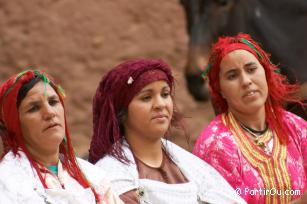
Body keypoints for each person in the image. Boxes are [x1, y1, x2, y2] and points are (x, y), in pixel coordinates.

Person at [88, 59, 246, 204]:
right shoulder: (112, 176)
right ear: (122, 112)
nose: (160, 104)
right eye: (146, 97)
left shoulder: (193, 168)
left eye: (165, 94)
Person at [193, 33, 307, 204]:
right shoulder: (215, 145)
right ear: (221, 90)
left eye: (251, 69)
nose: (246, 81)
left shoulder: (296, 126)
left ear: (266, 74)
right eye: (232, 76)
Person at [0, 70, 123, 204]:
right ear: (14, 123)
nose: (50, 113)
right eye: (34, 108)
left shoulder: (92, 176)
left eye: (53, 102)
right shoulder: (7, 182)